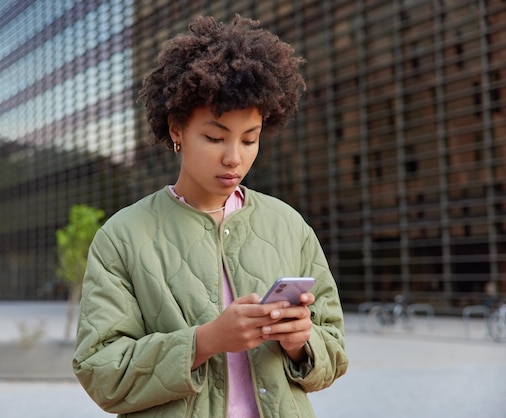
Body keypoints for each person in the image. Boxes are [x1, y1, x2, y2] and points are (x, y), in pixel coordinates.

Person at [73, 14, 348, 418]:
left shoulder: (288, 226)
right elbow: (100, 371)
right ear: (176, 130)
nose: (234, 157)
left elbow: (335, 351)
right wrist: (205, 341)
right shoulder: (122, 237)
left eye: (249, 139)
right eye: (215, 137)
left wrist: (301, 341)